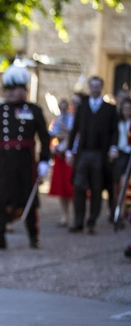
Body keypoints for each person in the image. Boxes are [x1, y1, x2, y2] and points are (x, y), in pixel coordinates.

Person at [0, 64, 50, 250]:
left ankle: (33, 237)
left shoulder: (34, 110)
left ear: (24, 90)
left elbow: (44, 137)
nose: (11, 93)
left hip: (25, 161)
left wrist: (44, 160)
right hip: (4, 161)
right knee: (0, 199)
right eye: (8, 89)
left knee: (28, 199)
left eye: (15, 89)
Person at [63, 76, 118, 234]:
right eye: (92, 86)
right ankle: (78, 220)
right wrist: (69, 151)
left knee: (97, 188)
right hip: (83, 153)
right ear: (89, 88)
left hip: (100, 155)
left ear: (101, 88)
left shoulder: (109, 109)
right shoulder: (83, 108)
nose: (95, 89)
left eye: (97, 86)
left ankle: (92, 221)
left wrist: (113, 148)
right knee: (79, 186)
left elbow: (114, 131)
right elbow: (75, 130)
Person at [48, 97, 78, 227]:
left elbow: (74, 134)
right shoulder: (57, 119)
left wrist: (66, 132)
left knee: (71, 187)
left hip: (70, 154)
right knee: (62, 188)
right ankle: (64, 215)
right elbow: (54, 134)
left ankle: (74, 215)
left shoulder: (73, 118)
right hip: (60, 155)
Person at [109, 97, 131, 227]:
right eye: (125, 109)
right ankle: (116, 211)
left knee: (124, 184)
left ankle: (122, 214)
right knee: (117, 186)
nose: (127, 112)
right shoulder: (118, 123)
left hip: (129, 155)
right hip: (120, 155)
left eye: (130, 109)